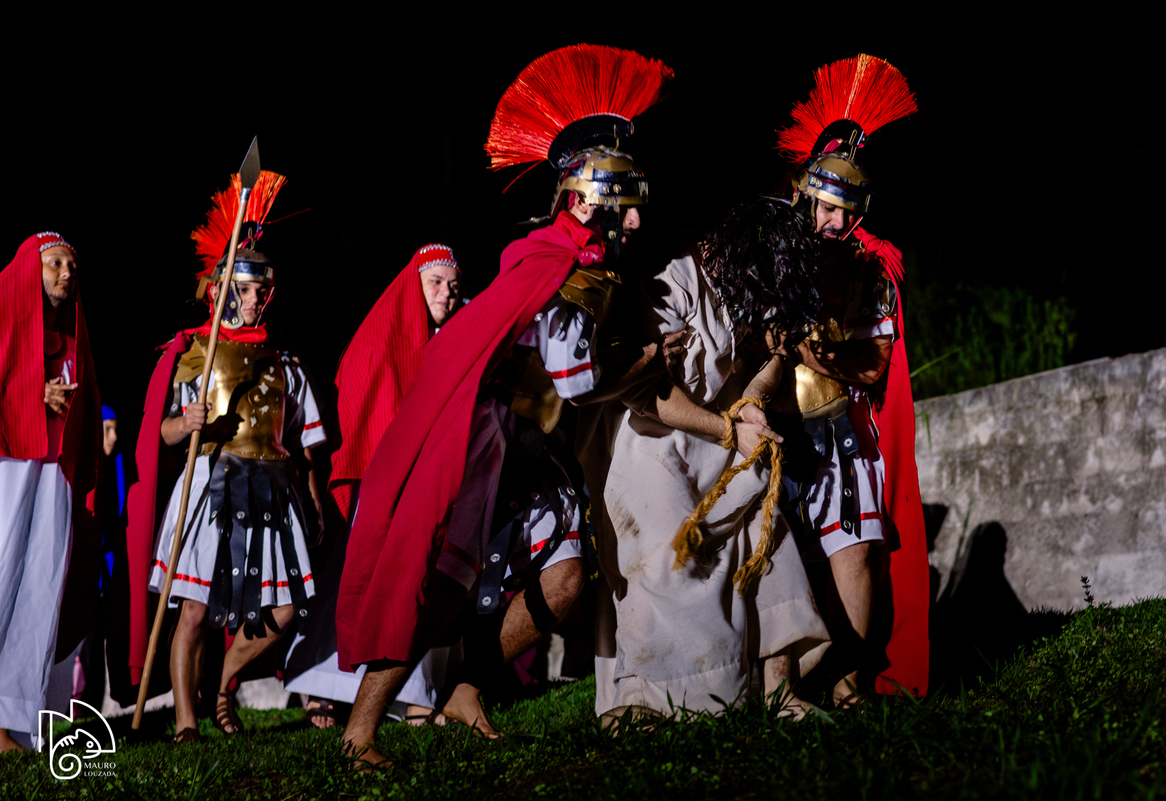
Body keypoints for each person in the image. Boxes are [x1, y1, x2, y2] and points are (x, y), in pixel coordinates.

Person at [336, 44, 674, 762]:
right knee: (440, 587)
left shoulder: (572, 260)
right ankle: (359, 728)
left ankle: (467, 683)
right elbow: (577, 381)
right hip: (487, 441)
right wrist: (645, 367)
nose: (636, 223)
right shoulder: (559, 266)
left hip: (529, 442)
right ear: (582, 198)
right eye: (624, 204)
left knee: (566, 579)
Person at [598, 198, 831, 720]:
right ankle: (651, 703)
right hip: (654, 447)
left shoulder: (753, 290)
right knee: (670, 565)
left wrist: (752, 403)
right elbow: (647, 395)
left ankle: (779, 690)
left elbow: (762, 364)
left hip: (717, 439)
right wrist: (729, 429)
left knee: (769, 537)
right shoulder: (674, 279)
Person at [124, 171, 327, 743]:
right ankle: (187, 720)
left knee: (283, 608)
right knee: (191, 610)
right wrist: (182, 423)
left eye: (264, 289)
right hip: (211, 484)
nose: (256, 298)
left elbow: (306, 442)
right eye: (246, 288)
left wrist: (312, 502)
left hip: (273, 485)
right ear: (224, 291)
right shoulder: (195, 353)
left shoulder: (285, 360)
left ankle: (222, 687)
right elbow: (160, 436)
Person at [776, 53, 929, 702]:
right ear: (807, 193)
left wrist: (819, 358)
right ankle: (781, 685)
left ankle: (847, 679)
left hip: (842, 428)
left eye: (847, 210)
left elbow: (875, 363)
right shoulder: (775, 251)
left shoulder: (870, 265)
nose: (835, 222)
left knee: (857, 549)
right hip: (776, 428)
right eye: (826, 206)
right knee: (786, 558)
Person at [284, 243, 464, 729]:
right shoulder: (380, 337)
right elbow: (364, 400)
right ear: (415, 285)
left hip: (432, 476)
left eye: (452, 284)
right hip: (383, 476)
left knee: (421, 576)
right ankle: (319, 679)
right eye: (436, 283)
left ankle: (415, 690)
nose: (447, 293)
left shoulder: (457, 331)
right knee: (359, 574)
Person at [0, 232, 102, 751]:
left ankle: (15, 723)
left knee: (39, 591)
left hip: (53, 476)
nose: (67, 272)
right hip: (9, 469)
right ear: (29, 273)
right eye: (54, 263)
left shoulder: (74, 330)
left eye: (71, 263)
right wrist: (29, 392)